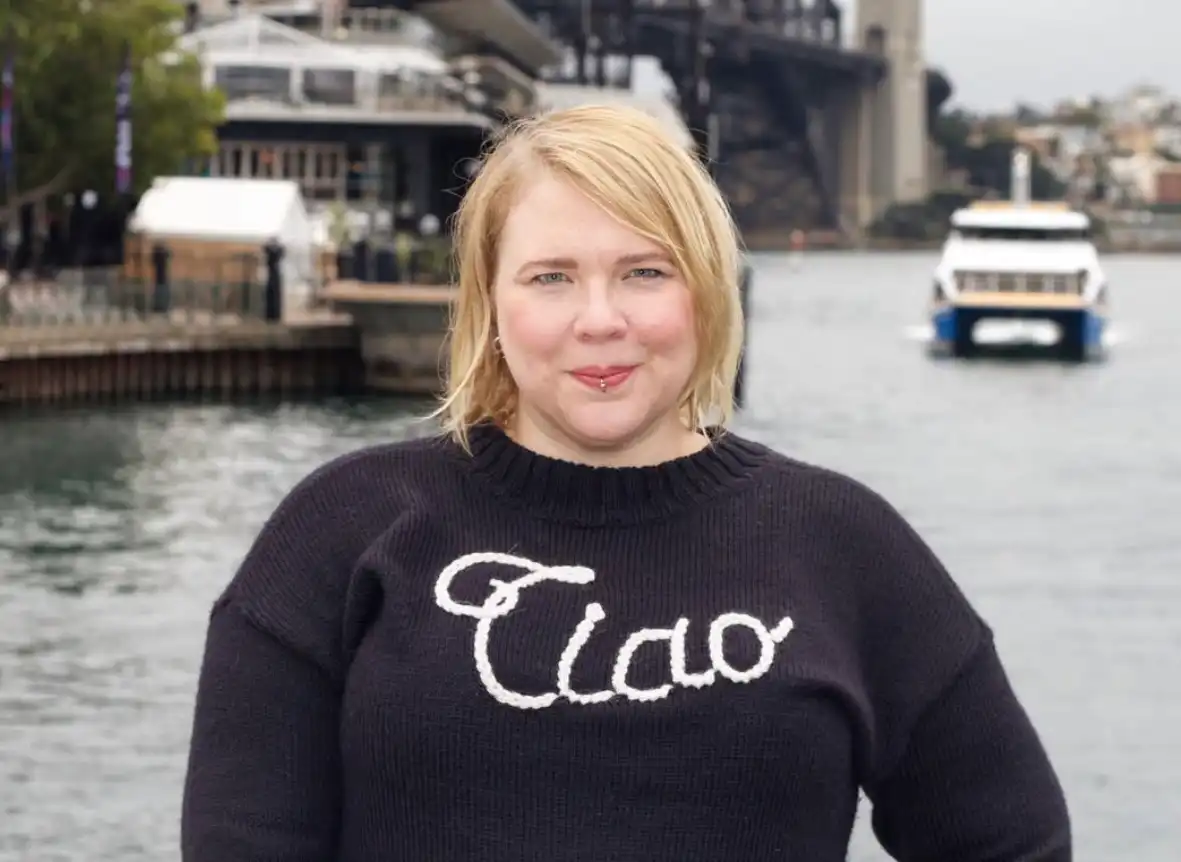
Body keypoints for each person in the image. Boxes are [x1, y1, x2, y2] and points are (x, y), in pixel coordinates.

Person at [181, 104, 1071, 861]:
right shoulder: (341, 533)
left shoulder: (841, 544)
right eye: (551, 278)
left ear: (708, 293)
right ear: (490, 306)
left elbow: (1010, 841)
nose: (599, 321)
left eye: (644, 273)